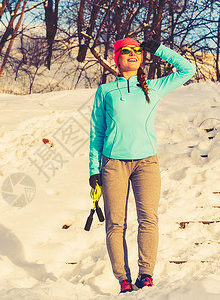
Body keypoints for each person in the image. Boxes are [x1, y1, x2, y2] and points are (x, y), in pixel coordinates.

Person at [88, 37, 196, 293]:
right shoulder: (106, 92)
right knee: (116, 223)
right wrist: (94, 169)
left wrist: (159, 49)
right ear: (117, 58)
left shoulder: (155, 87)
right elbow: (97, 132)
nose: (133, 54)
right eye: (126, 51)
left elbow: (187, 70)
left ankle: (145, 275)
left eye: (137, 50)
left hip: (146, 163)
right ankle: (123, 279)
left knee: (148, 218)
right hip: (113, 164)